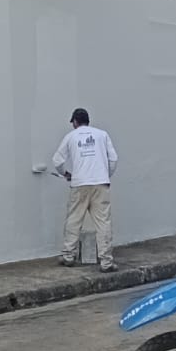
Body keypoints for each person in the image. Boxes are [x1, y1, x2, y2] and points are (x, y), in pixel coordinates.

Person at [52, 107, 118, 270]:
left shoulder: (71, 136)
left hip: (79, 183)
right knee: (103, 222)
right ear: (88, 121)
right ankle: (106, 261)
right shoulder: (102, 135)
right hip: (100, 184)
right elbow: (113, 159)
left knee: (74, 219)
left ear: (75, 122)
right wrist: (105, 175)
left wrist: (66, 174)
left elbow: (57, 160)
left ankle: (68, 255)